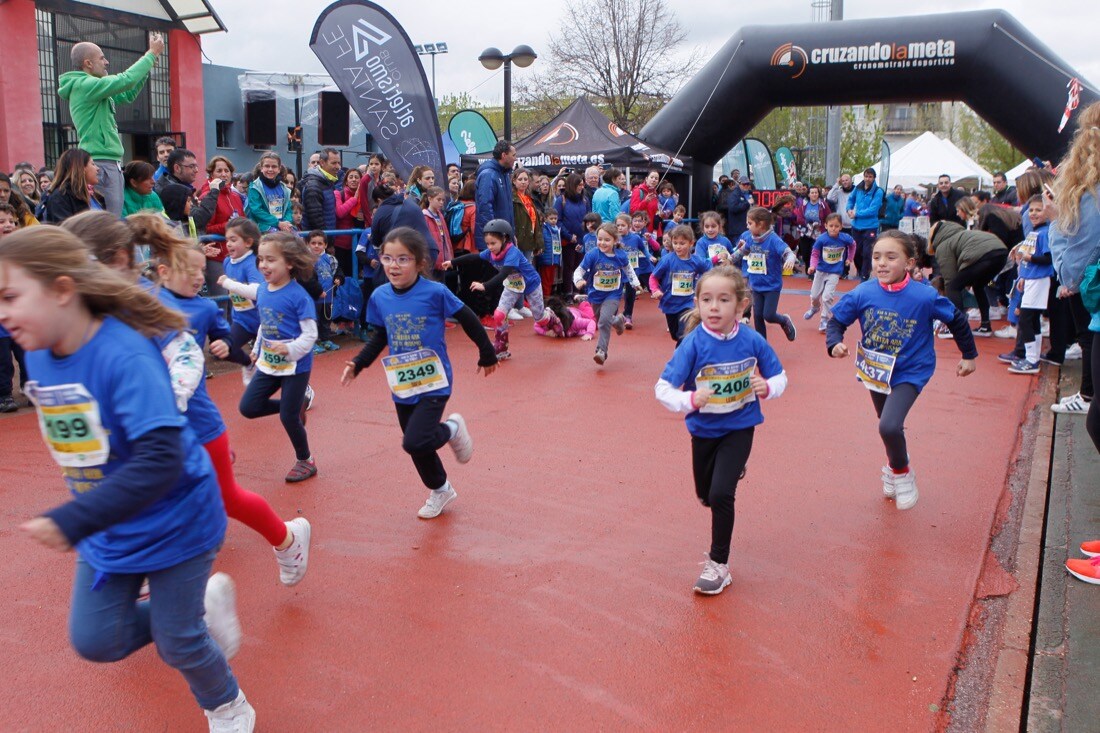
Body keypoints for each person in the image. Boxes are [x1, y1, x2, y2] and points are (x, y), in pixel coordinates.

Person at [0, 226, 256, 731]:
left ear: (62, 290)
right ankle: (197, 611)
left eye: (10, 296)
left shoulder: (124, 355)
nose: (3, 313)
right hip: (111, 525)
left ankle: (227, 705)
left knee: (177, 638)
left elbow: (159, 459)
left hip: (177, 517)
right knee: (96, 640)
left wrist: (75, 518)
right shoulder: (36, 351)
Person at [149, 227, 312, 587]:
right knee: (153, 489)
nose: (197, 277)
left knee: (229, 498)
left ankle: (287, 539)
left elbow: (234, 347)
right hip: (154, 421)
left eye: (200, 269)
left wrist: (228, 349)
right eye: (188, 270)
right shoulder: (144, 299)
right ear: (161, 273)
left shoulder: (205, 308)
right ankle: (152, 559)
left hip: (196, 420)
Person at [341, 226, 497, 519]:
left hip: (434, 380)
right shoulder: (380, 296)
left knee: (414, 440)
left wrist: (487, 352)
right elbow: (380, 336)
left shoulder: (435, 292)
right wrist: (359, 363)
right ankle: (441, 489)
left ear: (418, 262)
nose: (393, 266)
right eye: (387, 258)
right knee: (418, 446)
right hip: (402, 381)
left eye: (402, 259)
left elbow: (468, 318)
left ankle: (451, 428)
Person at [654, 265, 788, 595]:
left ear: (740, 306)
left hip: (740, 426)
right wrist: (690, 399)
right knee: (705, 494)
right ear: (698, 304)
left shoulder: (753, 340)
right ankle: (726, 473)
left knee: (720, 494)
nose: (714, 307)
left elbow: (780, 376)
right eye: (707, 300)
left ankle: (719, 565)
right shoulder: (692, 345)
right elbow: (662, 388)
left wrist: (767, 387)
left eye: (723, 300)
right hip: (704, 429)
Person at [827, 231, 977, 510]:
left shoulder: (924, 296)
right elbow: (837, 321)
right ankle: (894, 463)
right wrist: (834, 343)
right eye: (876, 257)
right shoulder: (864, 292)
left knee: (889, 425)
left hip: (911, 370)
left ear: (909, 263)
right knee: (889, 427)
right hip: (876, 371)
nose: (881, 263)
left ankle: (902, 473)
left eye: (890, 257)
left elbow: (957, 320)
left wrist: (968, 355)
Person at [238, 232, 318, 483]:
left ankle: (306, 460)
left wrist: (292, 349)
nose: (263, 265)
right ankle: (294, 407)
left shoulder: (299, 296)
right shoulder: (263, 290)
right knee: (248, 407)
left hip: (296, 364)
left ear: (290, 263)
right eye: (260, 259)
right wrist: (257, 348)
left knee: (287, 417)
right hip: (269, 362)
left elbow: (310, 334)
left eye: (270, 260)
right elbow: (265, 323)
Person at [59, 34, 164, 216]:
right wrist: (151, 54)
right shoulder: (84, 84)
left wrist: (146, 69)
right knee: (106, 222)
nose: (107, 62)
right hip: (100, 163)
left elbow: (127, 94)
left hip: (108, 163)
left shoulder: (93, 87)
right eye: (102, 58)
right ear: (88, 64)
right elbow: (125, 80)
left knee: (112, 221)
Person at [444, 219, 556, 361]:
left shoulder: (512, 253)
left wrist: (484, 285)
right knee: (499, 314)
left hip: (531, 283)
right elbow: (474, 257)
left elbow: (503, 274)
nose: (490, 247)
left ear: (505, 239)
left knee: (540, 319)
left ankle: (553, 318)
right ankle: (501, 346)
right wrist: (452, 262)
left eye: (493, 243)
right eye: (487, 244)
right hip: (513, 285)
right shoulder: (491, 253)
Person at [573, 222, 640, 365]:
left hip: (613, 294)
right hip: (595, 294)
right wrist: (578, 280)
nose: (602, 243)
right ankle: (618, 320)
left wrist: (635, 283)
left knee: (603, 322)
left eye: (607, 240)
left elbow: (629, 270)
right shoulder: (592, 255)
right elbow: (579, 270)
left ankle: (601, 351)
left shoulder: (620, 255)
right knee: (603, 320)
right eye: (600, 239)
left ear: (615, 241)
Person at [927, 220, 1008, 337]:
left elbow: (950, 279)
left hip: (982, 255)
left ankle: (957, 327)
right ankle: (985, 325)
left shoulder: (943, 245)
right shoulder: (962, 234)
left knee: (953, 287)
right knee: (979, 285)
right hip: (1001, 252)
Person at [1003, 196, 1054, 374]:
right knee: (1031, 319)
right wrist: (1023, 276)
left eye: (1038, 210)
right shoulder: (1035, 231)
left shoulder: (1045, 232)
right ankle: (1033, 357)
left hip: (1039, 280)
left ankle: (1031, 359)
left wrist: (1028, 257)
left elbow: (1048, 259)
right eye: (1031, 210)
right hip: (1031, 279)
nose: (1033, 214)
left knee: (1026, 319)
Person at [732, 207, 799, 342]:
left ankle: (784, 320)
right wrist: (729, 259)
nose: (747, 226)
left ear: (761, 224)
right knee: (757, 316)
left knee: (768, 315)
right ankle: (762, 345)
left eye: (750, 223)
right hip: (756, 284)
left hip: (771, 285)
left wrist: (790, 260)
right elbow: (742, 252)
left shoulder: (773, 239)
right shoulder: (751, 239)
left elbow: (788, 252)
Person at [216, 218, 265, 383]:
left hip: (263, 322)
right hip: (242, 321)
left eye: (233, 240)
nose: (228, 244)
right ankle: (248, 363)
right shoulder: (227, 262)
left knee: (275, 364)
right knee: (223, 349)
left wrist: (230, 284)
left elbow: (257, 291)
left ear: (248, 242)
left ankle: (302, 390)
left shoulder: (253, 263)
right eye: (227, 240)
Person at [650, 223, 711, 344]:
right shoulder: (667, 260)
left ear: (691, 243)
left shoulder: (695, 261)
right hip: (670, 302)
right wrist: (655, 289)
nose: (678, 247)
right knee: (675, 335)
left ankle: (681, 360)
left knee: (684, 335)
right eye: (675, 243)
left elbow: (709, 267)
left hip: (688, 302)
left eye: (682, 243)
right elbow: (653, 277)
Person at [805, 213, 856, 333]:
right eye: (831, 226)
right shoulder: (821, 239)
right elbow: (815, 254)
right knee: (814, 295)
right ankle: (815, 307)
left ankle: (824, 320)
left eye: (836, 226)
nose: (834, 228)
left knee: (827, 296)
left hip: (835, 272)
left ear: (841, 226)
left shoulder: (845, 238)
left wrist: (850, 258)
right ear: (826, 226)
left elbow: (853, 245)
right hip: (821, 271)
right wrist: (812, 266)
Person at [154, 149, 220, 234]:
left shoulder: (183, 187)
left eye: (196, 166)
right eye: (191, 166)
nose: (196, 170)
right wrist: (214, 190)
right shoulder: (172, 192)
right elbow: (198, 219)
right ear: (177, 168)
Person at [0, 203, 26, 413]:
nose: (8, 225)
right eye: (1, 222)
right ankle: (4, 394)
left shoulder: (21, 251)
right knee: (3, 363)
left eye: (12, 221)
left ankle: (30, 388)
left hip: (22, 317)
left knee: (27, 355)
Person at [42, 148, 104, 224]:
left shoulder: (96, 196)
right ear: (81, 168)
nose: (97, 169)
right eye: (93, 164)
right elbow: (65, 230)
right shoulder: (61, 197)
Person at [475, 141, 516, 252]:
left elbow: (508, 209)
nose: (515, 159)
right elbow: (485, 207)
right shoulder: (488, 174)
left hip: (504, 238)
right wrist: (494, 236)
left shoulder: (505, 174)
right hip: (494, 241)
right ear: (504, 155)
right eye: (513, 155)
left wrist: (511, 234)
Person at [306, 230, 343, 353]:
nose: (316, 246)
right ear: (308, 244)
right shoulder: (306, 260)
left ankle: (325, 339)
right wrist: (317, 291)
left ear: (325, 245)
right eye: (313, 243)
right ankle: (312, 342)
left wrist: (339, 279)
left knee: (325, 319)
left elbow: (338, 271)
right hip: (312, 297)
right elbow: (307, 279)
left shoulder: (331, 259)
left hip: (328, 296)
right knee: (313, 320)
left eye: (320, 243)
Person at [847, 168, 884, 280]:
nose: (867, 179)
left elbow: (873, 209)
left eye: (870, 177)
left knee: (867, 252)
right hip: (856, 225)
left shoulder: (878, 191)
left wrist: (856, 213)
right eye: (866, 176)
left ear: (874, 178)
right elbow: (850, 199)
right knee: (856, 251)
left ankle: (865, 274)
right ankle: (860, 269)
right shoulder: (858, 188)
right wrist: (849, 209)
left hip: (870, 226)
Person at [248, 152, 295, 234]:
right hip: (263, 227)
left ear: (279, 169)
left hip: (283, 226)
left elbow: (288, 209)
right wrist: (277, 223)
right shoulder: (254, 187)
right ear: (261, 168)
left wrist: (286, 223)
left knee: (298, 242)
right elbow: (256, 210)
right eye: (267, 166)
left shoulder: (284, 188)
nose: (270, 169)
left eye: (274, 166)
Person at [300, 147, 340, 232]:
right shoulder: (313, 186)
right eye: (333, 163)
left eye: (338, 163)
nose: (338, 167)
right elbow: (316, 219)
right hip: (319, 241)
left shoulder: (326, 182)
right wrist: (327, 241)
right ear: (322, 162)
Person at [333, 168, 363, 274]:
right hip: (339, 245)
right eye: (351, 177)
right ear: (346, 181)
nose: (354, 180)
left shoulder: (364, 197)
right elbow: (340, 213)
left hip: (357, 245)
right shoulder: (338, 194)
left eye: (356, 177)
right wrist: (354, 199)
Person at [512, 168, 545, 264]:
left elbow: (535, 223)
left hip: (529, 241)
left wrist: (539, 244)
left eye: (525, 179)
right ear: (514, 181)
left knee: (527, 270)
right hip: (518, 241)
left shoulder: (529, 198)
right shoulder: (511, 198)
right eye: (520, 179)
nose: (523, 182)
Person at [794, 185, 831, 268]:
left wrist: (825, 226)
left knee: (814, 251)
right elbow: (799, 217)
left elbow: (829, 216)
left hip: (818, 231)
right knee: (805, 253)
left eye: (816, 193)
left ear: (818, 194)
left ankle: (813, 270)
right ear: (808, 194)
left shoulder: (823, 204)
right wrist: (806, 223)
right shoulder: (803, 204)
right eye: (812, 193)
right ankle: (808, 267)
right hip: (805, 231)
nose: (814, 194)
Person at [538, 207, 563, 297]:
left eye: (555, 218)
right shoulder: (544, 230)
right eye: (551, 218)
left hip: (554, 258)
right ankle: (545, 297)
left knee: (551, 280)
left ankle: (547, 296)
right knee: (545, 280)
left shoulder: (557, 229)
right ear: (546, 218)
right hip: (546, 259)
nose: (553, 221)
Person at [629, 170, 662, 234]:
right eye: (652, 177)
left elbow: (655, 212)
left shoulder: (655, 193)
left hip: (655, 230)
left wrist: (661, 214)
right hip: (642, 230)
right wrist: (645, 202)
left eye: (656, 178)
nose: (654, 180)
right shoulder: (638, 191)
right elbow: (633, 210)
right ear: (646, 179)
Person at [724, 175, 754, 240]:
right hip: (738, 229)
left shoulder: (750, 193)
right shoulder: (734, 194)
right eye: (744, 184)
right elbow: (733, 208)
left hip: (748, 227)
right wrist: (747, 203)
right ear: (739, 184)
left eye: (748, 184)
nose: (746, 186)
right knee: (739, 248)